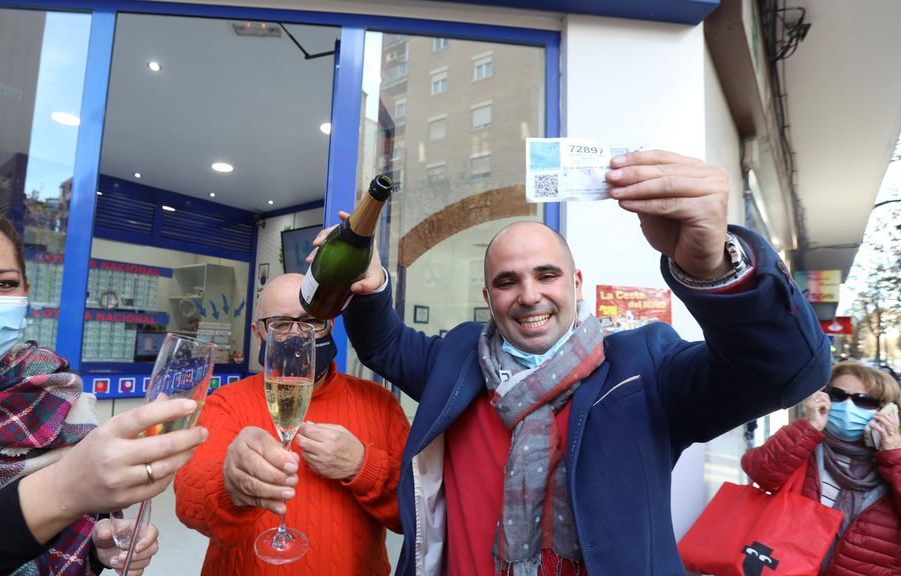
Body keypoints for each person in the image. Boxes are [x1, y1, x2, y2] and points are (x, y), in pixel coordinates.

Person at [329, 149, 831, 575]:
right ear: (488, 297)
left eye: (547, 275)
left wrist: (714, 268)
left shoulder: (643, 367)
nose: (529, 295)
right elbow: (384, 345)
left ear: (576, 285)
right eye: (507, 281)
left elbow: (783, 373)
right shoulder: (459, 360)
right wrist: (369, 286)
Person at [0, 201, 207, 575]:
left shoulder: (56, 394)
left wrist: (97, 548)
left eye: (2, 284)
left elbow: (79, 529)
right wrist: (61, 490)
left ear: (25, 293)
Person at [174, 272, 410, 575]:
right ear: (258, 332)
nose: (298, 334)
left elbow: (417, 516)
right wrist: (230, 485)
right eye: (281, 324)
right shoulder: (226, 402)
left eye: (311, 321)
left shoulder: (381, 404)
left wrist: (364, 467)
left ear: (330, 324)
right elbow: (189, 503)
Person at [741, 361, 901, 574]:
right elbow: (759, 472)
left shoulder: (894, 460)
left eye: (864, 400)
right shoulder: (802, 441)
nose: (848, 407)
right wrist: (810, 427)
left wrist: (894, 456)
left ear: (889, 411)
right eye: (837, 395)